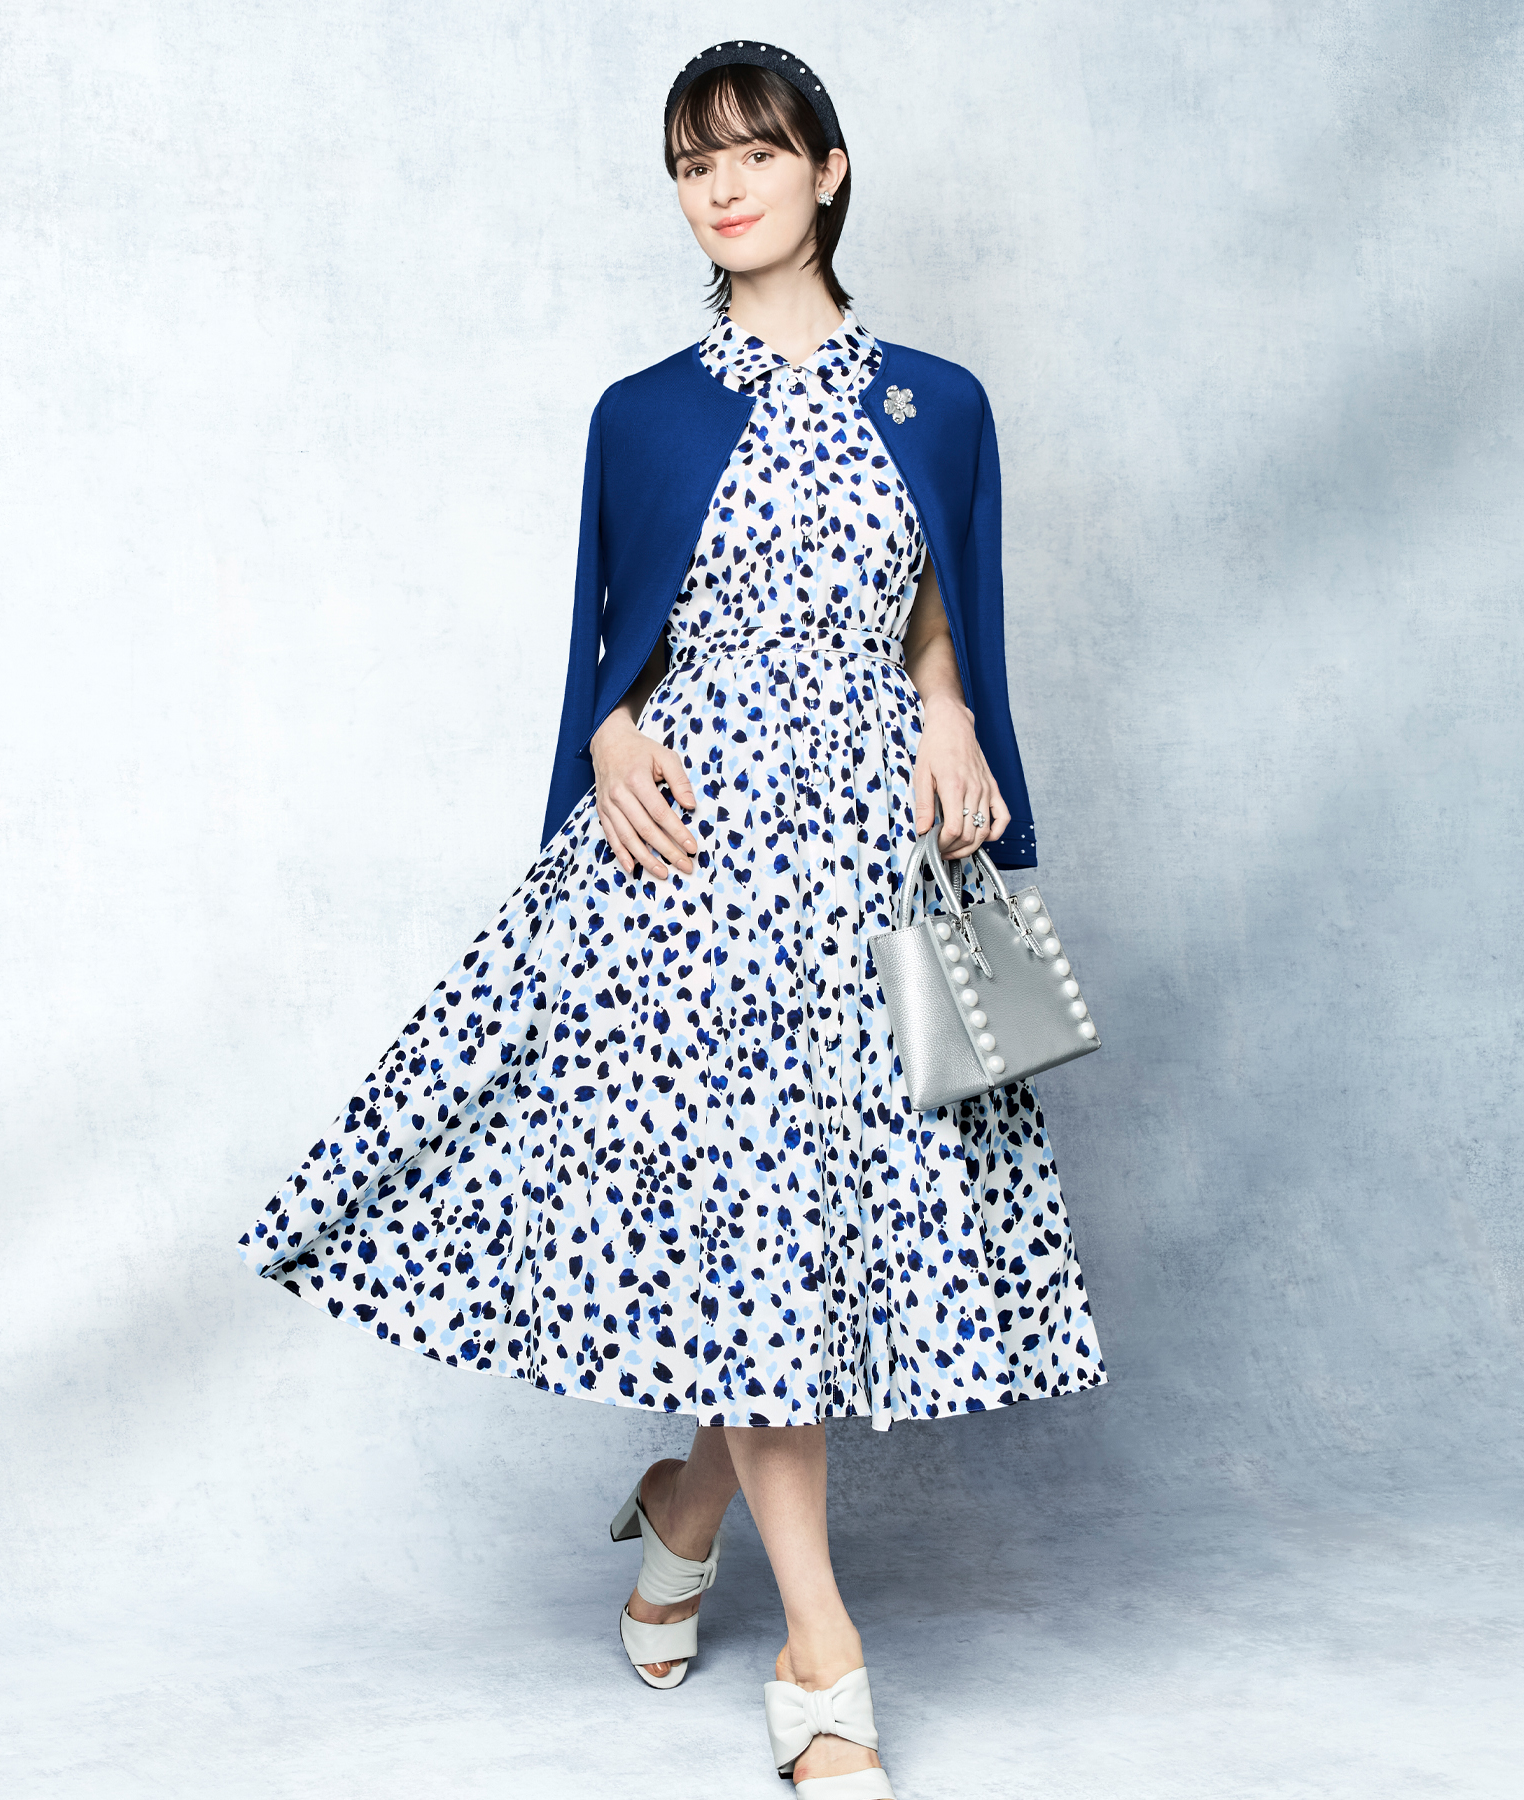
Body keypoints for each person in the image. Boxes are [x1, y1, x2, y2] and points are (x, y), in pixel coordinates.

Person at [240, 42, 1106, 1797]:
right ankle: (821, 1661)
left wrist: (947, 712)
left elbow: (945, 607)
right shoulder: (640, 412)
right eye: (693, 164)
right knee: (764, 1225)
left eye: (755, 155)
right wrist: (611, 732)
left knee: (808, 1233)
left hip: (867, 855)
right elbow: (609, 635)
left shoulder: (938, 401)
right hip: (694, 857)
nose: (722, 188)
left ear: (829, 172)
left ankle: (683, 1505)